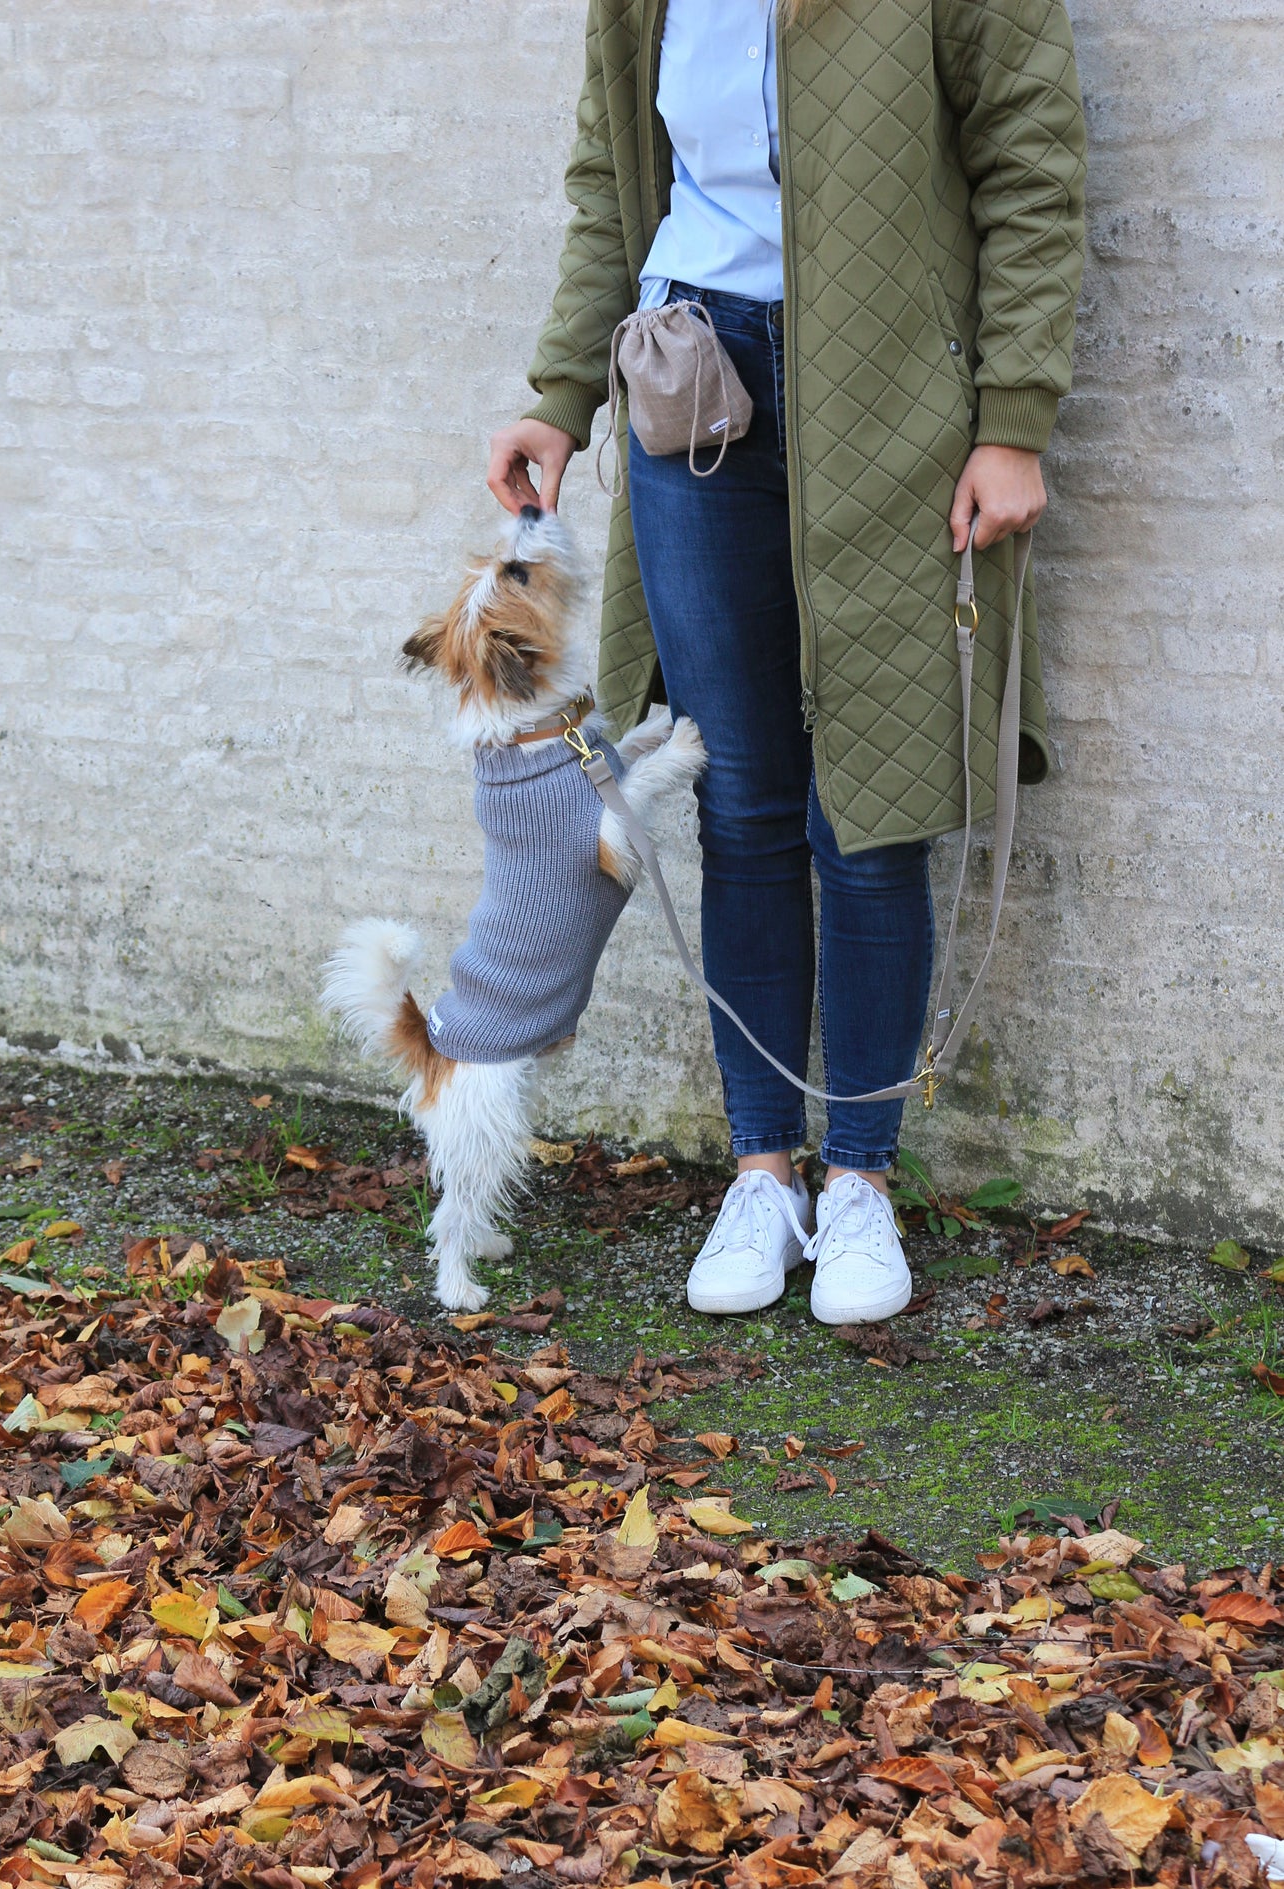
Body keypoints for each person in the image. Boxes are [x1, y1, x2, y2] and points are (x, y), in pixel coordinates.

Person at [487, 0, 1086, 1324]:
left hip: (890, 407)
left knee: (865, 802)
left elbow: (1031, 162)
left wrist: (1013, 418)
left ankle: (859, 1178)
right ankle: (762, 1172)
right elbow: (612, 175)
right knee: (741, 793)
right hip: (687, 378)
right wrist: (554, 393)